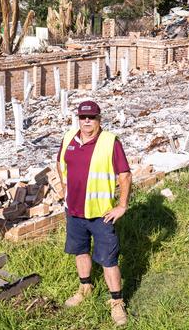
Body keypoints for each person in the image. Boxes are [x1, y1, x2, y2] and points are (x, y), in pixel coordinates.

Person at [56, 100, 132, 326]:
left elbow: (125, 175)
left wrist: (122, 206)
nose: (87, 121)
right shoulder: (69, 137)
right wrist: (64, 190)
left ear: (99, 119)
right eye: (83, 117)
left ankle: (117, 303)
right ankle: (85, 287)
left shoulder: (110, 142)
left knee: (109, 259)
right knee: (80, 251)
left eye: (92, 117)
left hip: (101, 214)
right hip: (75, 212)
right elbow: (60, 164)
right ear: (78, 118)